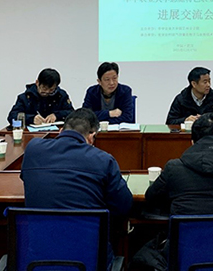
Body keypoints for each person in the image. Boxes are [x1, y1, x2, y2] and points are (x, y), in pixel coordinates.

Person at [21, 108, 132, 268]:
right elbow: (124, 205)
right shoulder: (103, 160)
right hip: (89, 261)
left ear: (61, 130)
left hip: (38, 260)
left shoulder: (33, 149)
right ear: (92, 137)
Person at [7, 68, 74, 126]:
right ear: (37, 83)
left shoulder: (61, 96)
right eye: (44, 88)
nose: (47, 92)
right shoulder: (25, 98)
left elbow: (72, 113)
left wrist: (56, 115)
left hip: (56, 133)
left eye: (51, 90)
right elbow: (12, 117)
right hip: (31, 134)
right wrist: (31, 119)